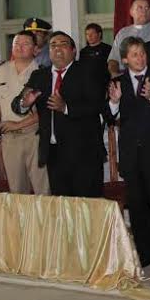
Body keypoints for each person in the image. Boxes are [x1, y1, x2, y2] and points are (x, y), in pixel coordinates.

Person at [106, 37, 150, 270]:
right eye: (135, 54)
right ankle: (147, 254)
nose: (140, 58)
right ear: (125, 59)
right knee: (137, 207)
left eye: (143, 53)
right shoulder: (117, 83)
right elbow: (109, 117)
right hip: (131, 154)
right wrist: (114, 103)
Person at [12, 32, 106, 197]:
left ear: (74, 50)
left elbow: (97, 104)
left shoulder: (88, 71)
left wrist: (66, 108)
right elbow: (16, 104)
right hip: (54, 153)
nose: (57, 49)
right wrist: (24, 103)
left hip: (85, 153)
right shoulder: (40, 76)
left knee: (87, 205)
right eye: (53, 45)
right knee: (62, 204)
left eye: (63, 44)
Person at [0, 31, 49, 195]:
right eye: (16, 43)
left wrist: (18, 124)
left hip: (35, 137)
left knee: (42, 189)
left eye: (25, 44)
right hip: (9, 139)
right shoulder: (1, 71)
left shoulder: (43, 73)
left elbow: (46, 111)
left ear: (35, 49)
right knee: (16, 190)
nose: (19, 47)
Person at [107, 0, 150, 76]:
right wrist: (114, 74)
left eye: (147, 8)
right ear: (131, 12)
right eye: (140, 8)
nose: (144, 11)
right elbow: (113, 60)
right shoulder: (122, 33)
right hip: (125, 77)